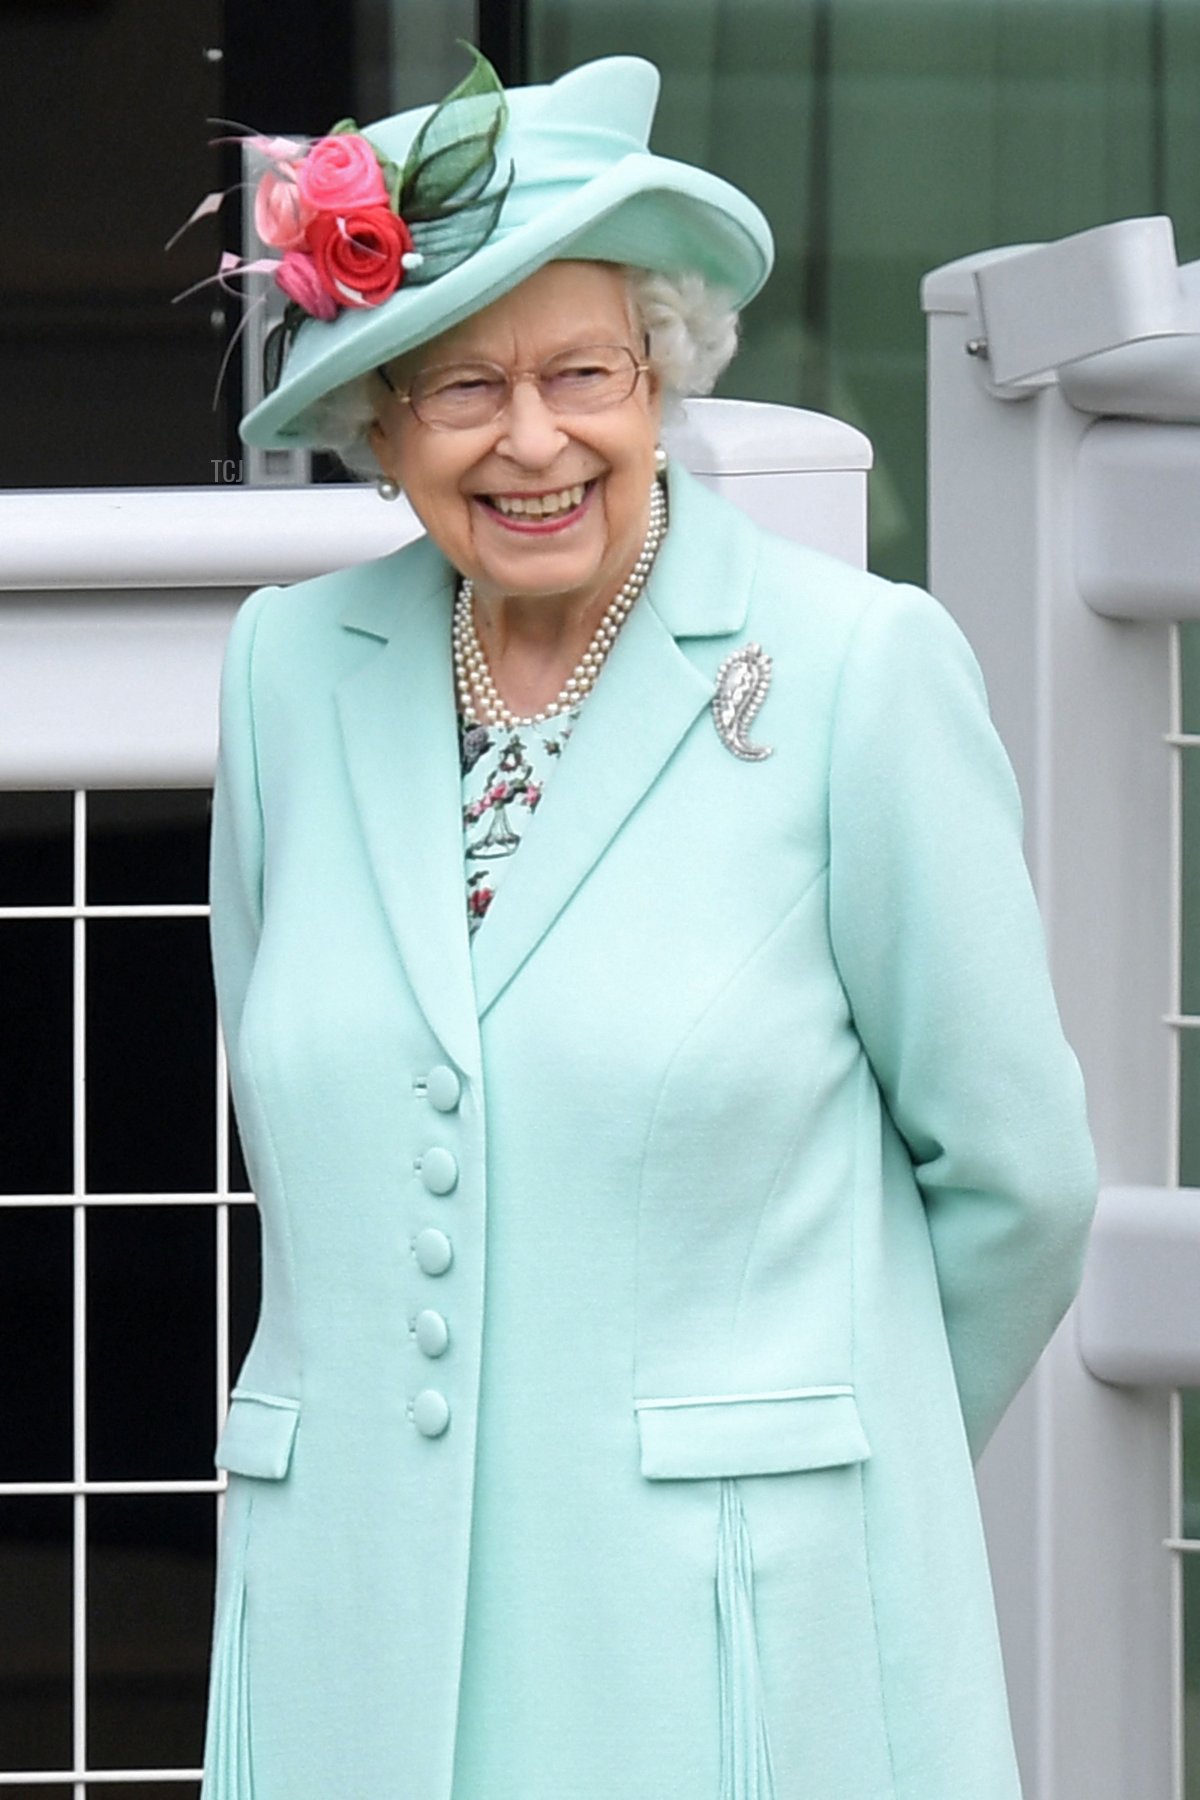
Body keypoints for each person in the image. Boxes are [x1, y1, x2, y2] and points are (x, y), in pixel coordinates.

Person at [201, 49, 1096, 1800]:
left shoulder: (854, 673)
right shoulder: (287, 676)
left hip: (734, 1659)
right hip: (351, 1648)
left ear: (665, 374)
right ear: (382, 422)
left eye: (583, 372)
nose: (534, 440)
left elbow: (1019, 1183)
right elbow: (301, 1111)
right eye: (461, 387)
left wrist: (828, 1471)